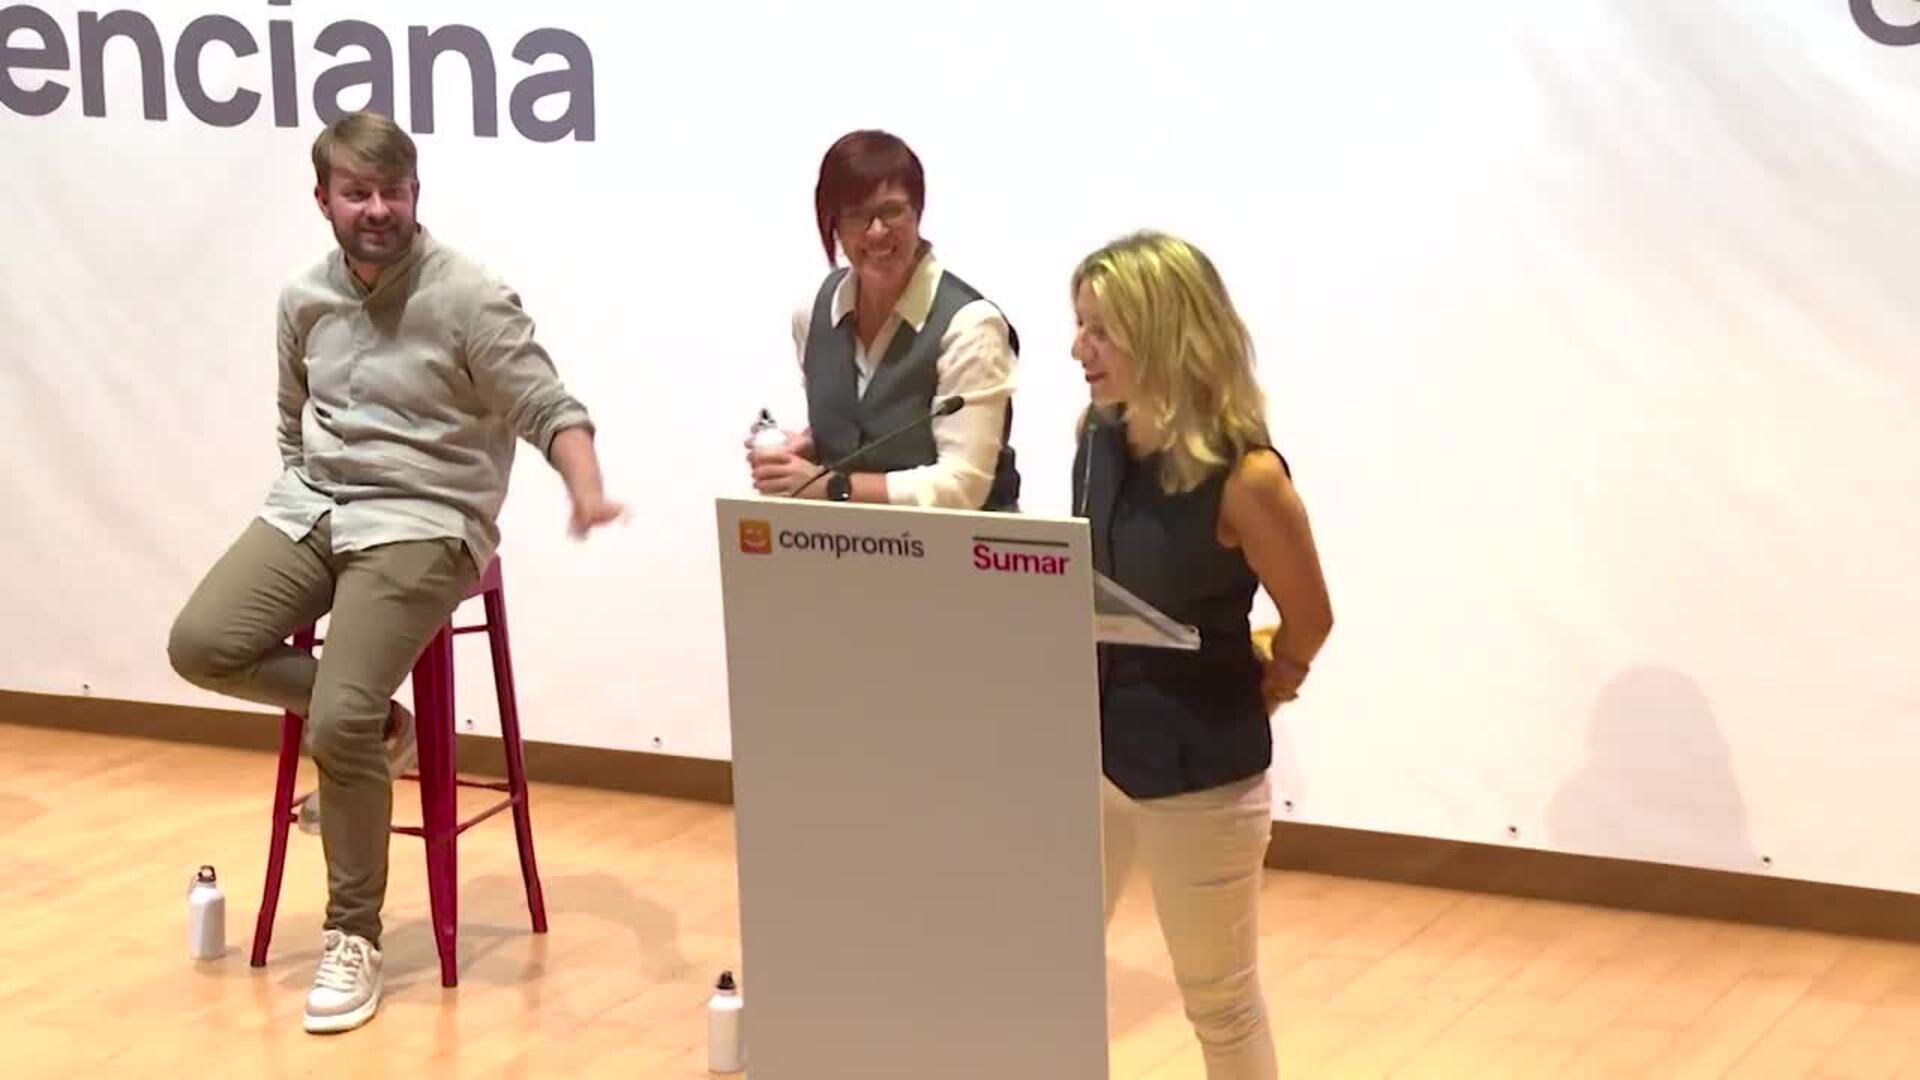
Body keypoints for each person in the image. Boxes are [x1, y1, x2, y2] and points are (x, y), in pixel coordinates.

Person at [166, 110, 623, 1035]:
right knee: (201, 644)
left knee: (337, 715)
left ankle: (353, 936)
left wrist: (586, 489)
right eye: (357, 193)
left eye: (393, 191)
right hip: (317, 505)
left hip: (425, 518)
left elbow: (549, 405)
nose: (377, 209)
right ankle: (382, 727)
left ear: (416, 194)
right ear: (323, 199)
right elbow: (293, 419)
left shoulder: (470, 297)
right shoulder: (304, 297)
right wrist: (302, 496)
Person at [1069, 230, 1333, 1079]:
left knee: (1220, 1004)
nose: (1079, 349)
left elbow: (1310, 616)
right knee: (1049, 971)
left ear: (1160, 332)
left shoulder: (1247, 479)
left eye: (1099, 330)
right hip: (1093, 752)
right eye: (1079, 325)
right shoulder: (1097, 439)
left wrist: (1276, 681)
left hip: (1201, 769)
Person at [747, 129, 1021, 509]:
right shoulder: (812, 316)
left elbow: (961, 487)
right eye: (857, 215)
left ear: (918, 212)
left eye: (891, 211)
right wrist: (808, 445)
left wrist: (827, 486)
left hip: (963, 543)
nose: (876, 231)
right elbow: (865, 424)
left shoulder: (971, 326)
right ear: (834, 226)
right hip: (849, 541)